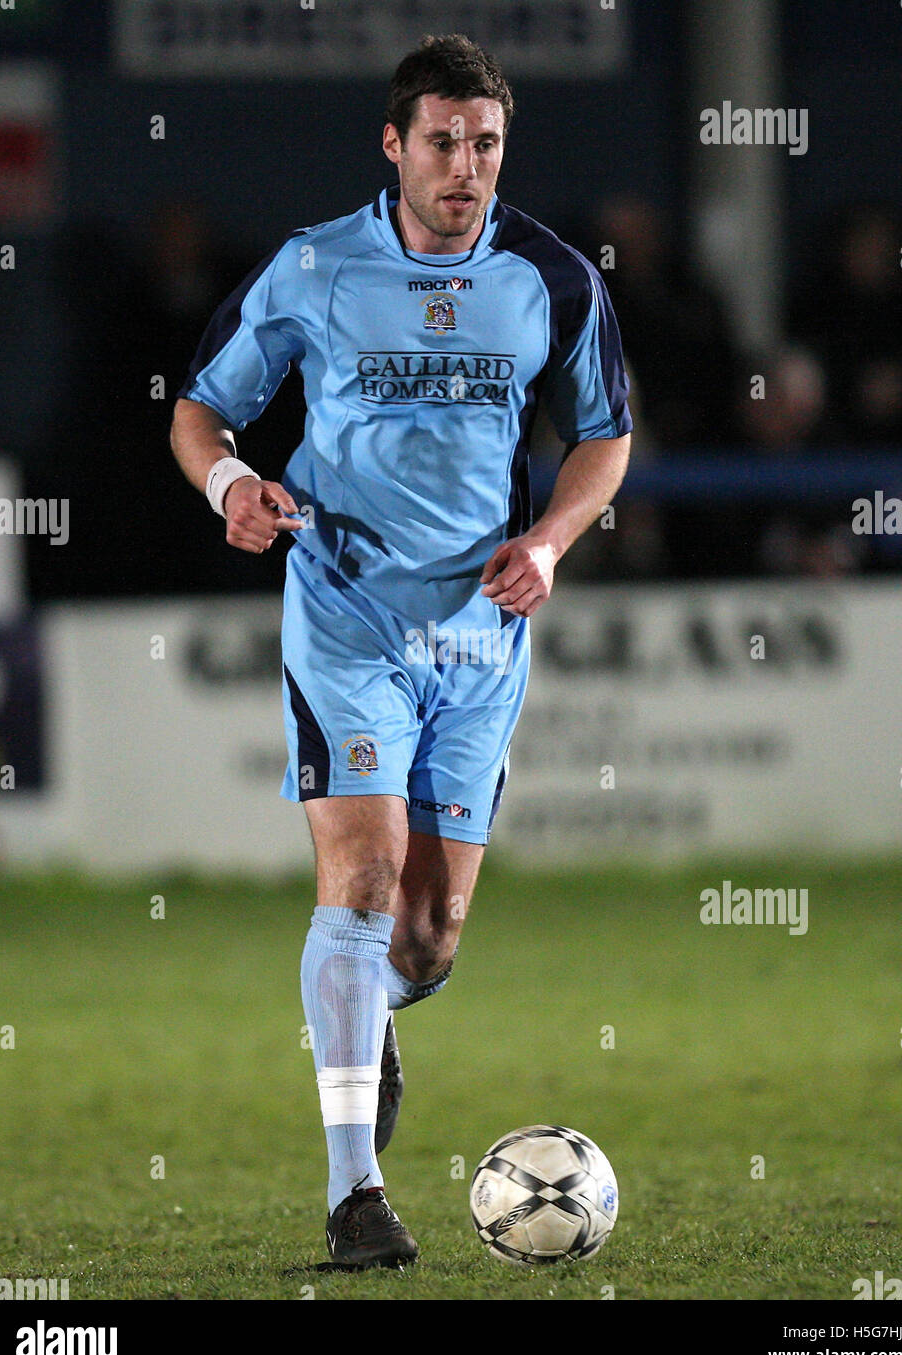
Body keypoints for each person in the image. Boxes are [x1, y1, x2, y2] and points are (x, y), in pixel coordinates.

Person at [170, 33, 631, 1270]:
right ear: (394, 144)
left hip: (482, 635)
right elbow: (198, 406)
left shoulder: (553, 277)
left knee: (423, 938)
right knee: (363, 883)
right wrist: (230, 484)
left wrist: (550, 537)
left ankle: (357, 1012)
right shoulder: (317, 267)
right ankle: (354, 1195)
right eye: (443, 141)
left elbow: (605, 436)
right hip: (348, 613)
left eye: (485, 143)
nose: (466, 166)